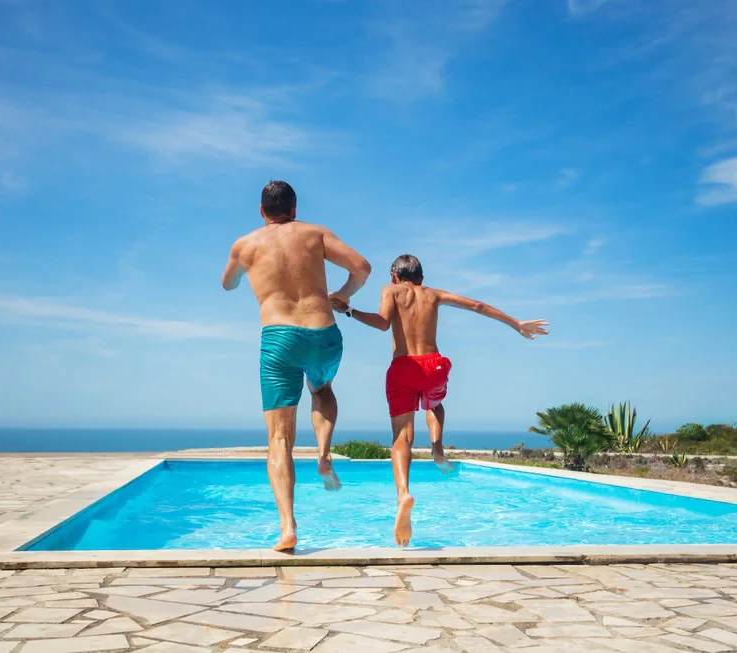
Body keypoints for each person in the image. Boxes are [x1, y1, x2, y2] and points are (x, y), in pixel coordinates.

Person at [331, 254, 547, 546]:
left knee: (402, 437)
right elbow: (477, 305)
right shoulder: (433, 295)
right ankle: (437, 450)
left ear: (394, 275)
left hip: (404, 366)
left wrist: (349, 311)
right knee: (434, 403)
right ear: (421, 278)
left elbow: (382, 323)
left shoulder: (390, 290)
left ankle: (403, 493)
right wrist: (516, 323)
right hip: (433, 366)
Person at [222, 180, 371, 553]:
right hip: (324, 333)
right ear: (294, 208)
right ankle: (323, 454)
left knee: (279, 439)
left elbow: (228, 285)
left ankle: (288, 526)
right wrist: (342, 295)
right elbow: (362, 267)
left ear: (261, 210)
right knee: (322, 390)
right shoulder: (314, 233)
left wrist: (244, 268)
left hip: (279, 338)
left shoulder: (244, 245)